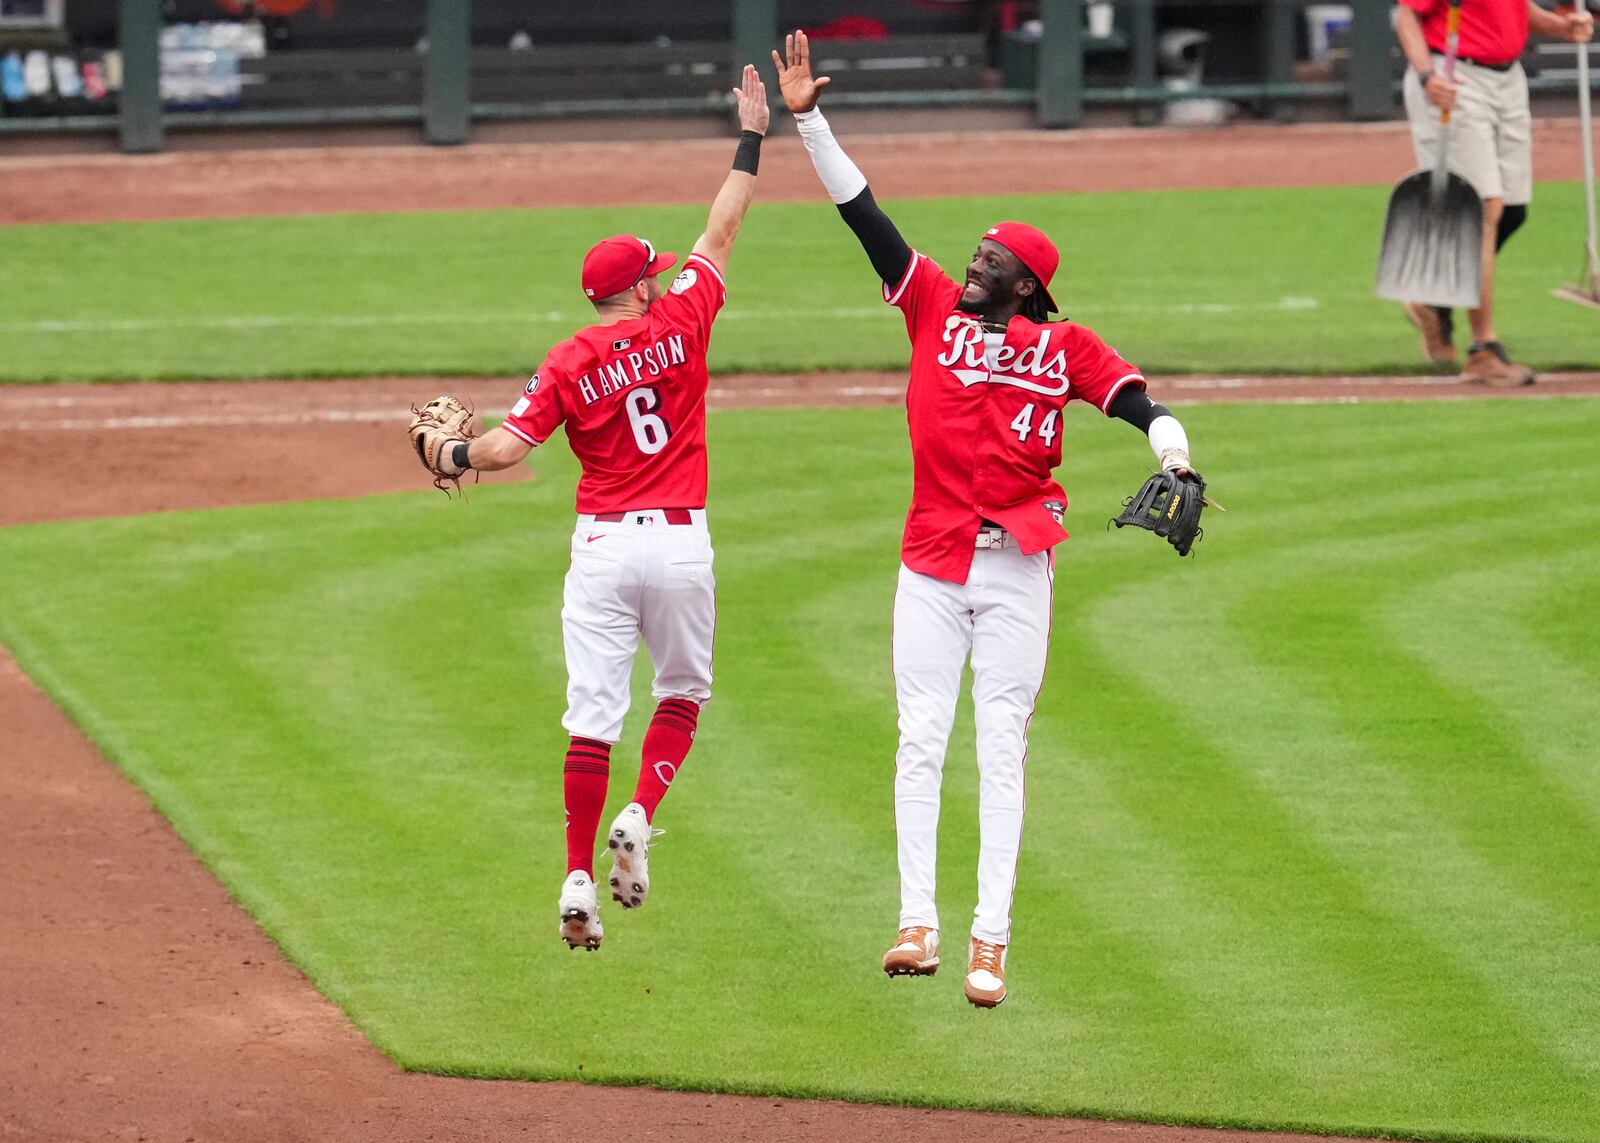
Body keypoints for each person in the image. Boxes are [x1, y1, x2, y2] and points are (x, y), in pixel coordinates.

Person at [772, 32, 1204, 1009]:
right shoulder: (930, 308)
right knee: (919, 737)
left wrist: (1172, 455)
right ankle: (914, 923)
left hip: (1015, 570)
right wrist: (809, 119)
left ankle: (989, 942)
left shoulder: (1065, 347)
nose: (968, 264)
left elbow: (1142, 401)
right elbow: (863, 216)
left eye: (988, 259)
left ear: (1025, 283)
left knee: (999, 743)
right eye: (973, 254)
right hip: (928, 564)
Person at [417, 66, 768, 951]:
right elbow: (722, 230)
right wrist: (753, 135)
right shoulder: (682, 317)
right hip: (682, 543)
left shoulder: (569, 358)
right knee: (682, 692)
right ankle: (643, 814)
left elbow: (502, 450)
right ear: (643, 288)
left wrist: (449, 452)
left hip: (604, 549)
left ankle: (578, 872)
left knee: (590, 718)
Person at [1395, 0, 1594, 384]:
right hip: (1454, 77)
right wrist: (1426, 77)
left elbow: (1515, 10)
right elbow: (1407, 16)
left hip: (1508, 80)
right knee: (1484, 209)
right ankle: (1483, 349)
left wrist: (1562, 27)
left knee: (1514, 210)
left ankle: (1434, 299)